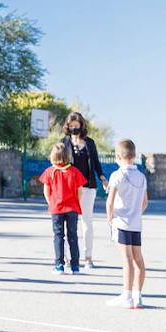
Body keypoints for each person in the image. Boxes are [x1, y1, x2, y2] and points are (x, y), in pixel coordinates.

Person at [105, 139, 147, 308]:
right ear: (134, 155)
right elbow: (145, 202)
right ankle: (138, 295)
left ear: (117, 156)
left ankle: (127, 295)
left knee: (126, 259)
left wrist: (110, 218)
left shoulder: (117, 175)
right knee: (139, 259)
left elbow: (110, 201)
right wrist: (136, 213)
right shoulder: (141, 176)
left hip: (122, 222)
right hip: (136, 223)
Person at [61, 112, 106, 269]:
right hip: (69, 188)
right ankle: (66, 258)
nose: (74, 128)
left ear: (82, 125)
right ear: (68, 126)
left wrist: (102, 179)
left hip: (87, 187)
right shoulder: (64, 142)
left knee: (87, 221)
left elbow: (96, 163)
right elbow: (58, 163)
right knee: (68, 223)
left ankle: (88, 257)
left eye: (76, 125)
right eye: (71, 125)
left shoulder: (89, 143)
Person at [41, 143, 87, 275]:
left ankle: (59, 265)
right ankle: (75, 266)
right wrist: (75, 202)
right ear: (68, 156)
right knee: (73, 236)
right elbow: (80, 191)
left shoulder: (50, 172)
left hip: (56, 209)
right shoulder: (75, 171)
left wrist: (51, 202)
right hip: (72, 208)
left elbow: (46, 190)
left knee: (58, 236)